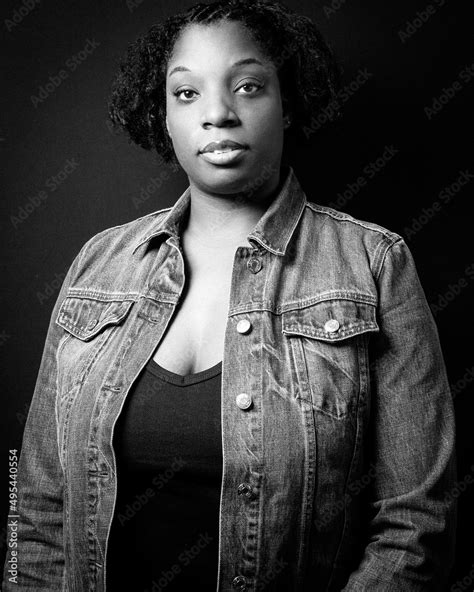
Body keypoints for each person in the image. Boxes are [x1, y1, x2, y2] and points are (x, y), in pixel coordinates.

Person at [2, 1, 457, 590]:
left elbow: (417, 526)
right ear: (161, 115)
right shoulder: (99, 264)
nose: (218, 114)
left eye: (247, 86)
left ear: (287, 103)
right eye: (186, 93)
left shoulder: (373, 265)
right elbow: (32, 509)